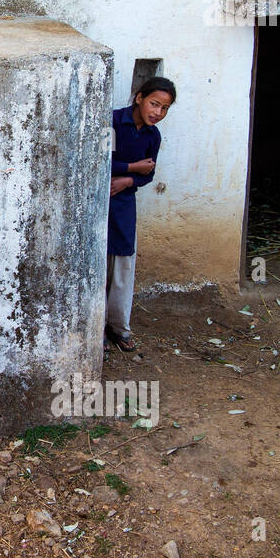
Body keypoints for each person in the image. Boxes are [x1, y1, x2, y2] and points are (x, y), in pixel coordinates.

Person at [106, 76, 177, 352]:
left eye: (164, 108)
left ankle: (119, 328)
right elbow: (100, 161)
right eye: (154, 104)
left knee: (123, 267)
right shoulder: (111, 122)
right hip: (100, 204)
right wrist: (134, 167)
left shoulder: (152, 136)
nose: (157, 113)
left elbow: (149, 174)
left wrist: (129, 180)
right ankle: (96, 330)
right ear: (139, 98)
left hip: (124, 205)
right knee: (99, 268)